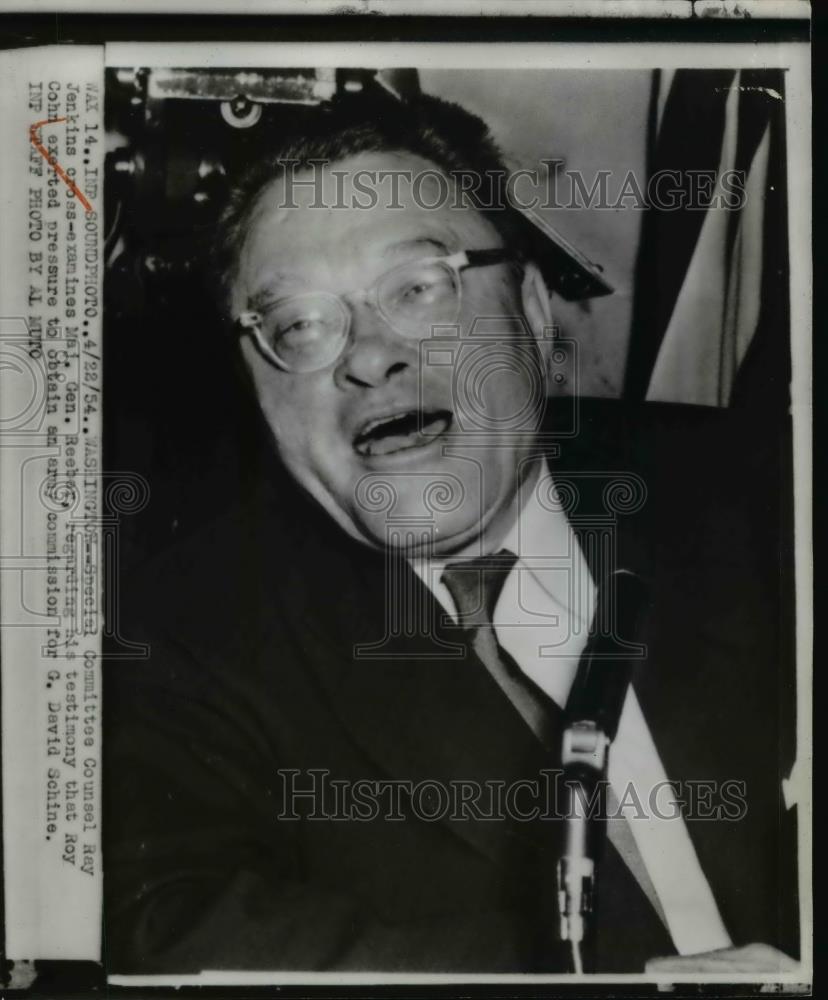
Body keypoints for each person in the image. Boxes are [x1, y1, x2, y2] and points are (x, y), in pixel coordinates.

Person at [103, 90, 798, 975]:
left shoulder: (769, 498)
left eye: (417, 288)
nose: (366, 353)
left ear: (536, 317)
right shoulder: (176, 636)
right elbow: (156, 923)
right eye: (299, 326)